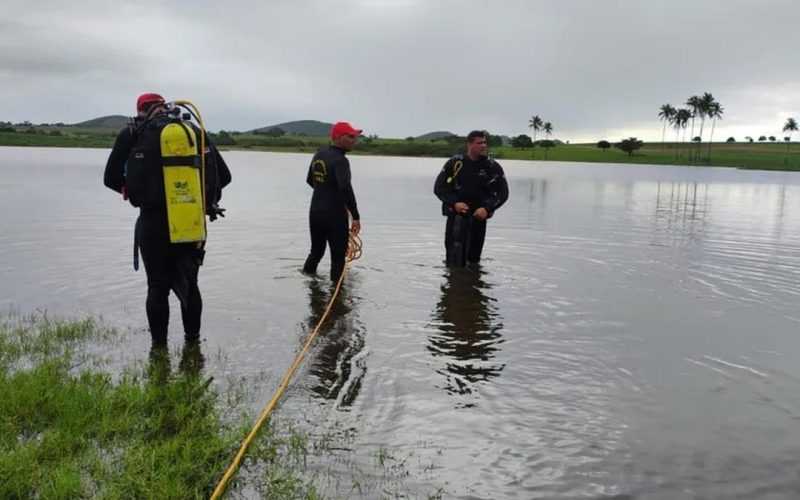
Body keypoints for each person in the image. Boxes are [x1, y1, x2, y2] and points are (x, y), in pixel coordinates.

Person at [103, 93, 231, 347]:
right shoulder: (191, 131)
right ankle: (193, 345)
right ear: (165, 107)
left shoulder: (132, 133)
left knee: (157, 287)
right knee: (191, 285)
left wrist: (129, 190)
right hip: (189, 221)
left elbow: (110, 178)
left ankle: (158, 349)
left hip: (152, 223)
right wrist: (202, 200)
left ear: (141, 110)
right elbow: (223, 176)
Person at [434, 130, 509, 266]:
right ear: (469, 145)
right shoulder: (455, 163)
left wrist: (487, 208)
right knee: (454, 260)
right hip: (457, 216)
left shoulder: (492, 167)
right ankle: (458, 283)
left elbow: (503, 193)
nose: (484, 146)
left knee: (474, 261)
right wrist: (455, 203)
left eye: (485, 143)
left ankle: (472, 278)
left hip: (479, 217)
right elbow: (439, 188)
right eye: (479, 143)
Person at [302, 121, 362, 282]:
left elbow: (310, 180)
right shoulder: (341, 160)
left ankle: (309, 285)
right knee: (338, 258)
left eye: (355, 137)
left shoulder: (319, 154)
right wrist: (355, 216)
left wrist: (324, 192)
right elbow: (345, 187)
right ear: (339, 137)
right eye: (350, 137)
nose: (354, 140)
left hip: (315, 211)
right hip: (334, 214)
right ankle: (337, 299)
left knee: (316, 252)